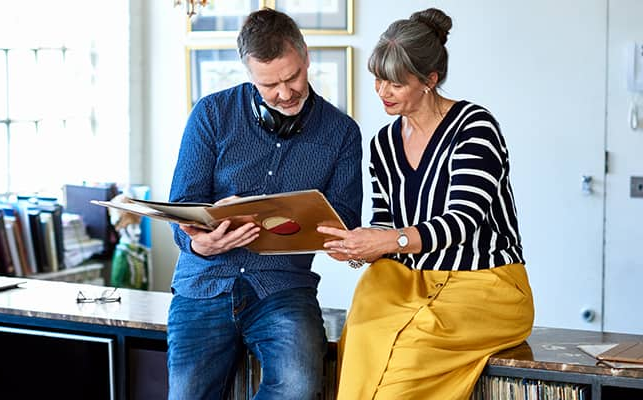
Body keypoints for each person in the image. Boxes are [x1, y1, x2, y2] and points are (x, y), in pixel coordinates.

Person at [317, 8, 534, 400]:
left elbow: (463, 221)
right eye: (378, 79)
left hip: (483, 284)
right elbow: (385, 222)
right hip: (404, 283)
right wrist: (356, 248)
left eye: (395, 83)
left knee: (406, 361)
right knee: (363, 338)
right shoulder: (383, 144)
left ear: (429, 81)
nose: (382, 92)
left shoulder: (475, 127)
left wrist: (386, 242)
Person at [166, 7, 363, 399]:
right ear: (248, 73)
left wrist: (341, 240)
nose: (285, 93)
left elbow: (343, 220)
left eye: (292, 77)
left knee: (298, 388)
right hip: (204, 283)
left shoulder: (342, 133)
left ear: (305, 55)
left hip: (284, 290)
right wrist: (197, 244)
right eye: (269, 85)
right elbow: (183, 205)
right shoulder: (211, 113)